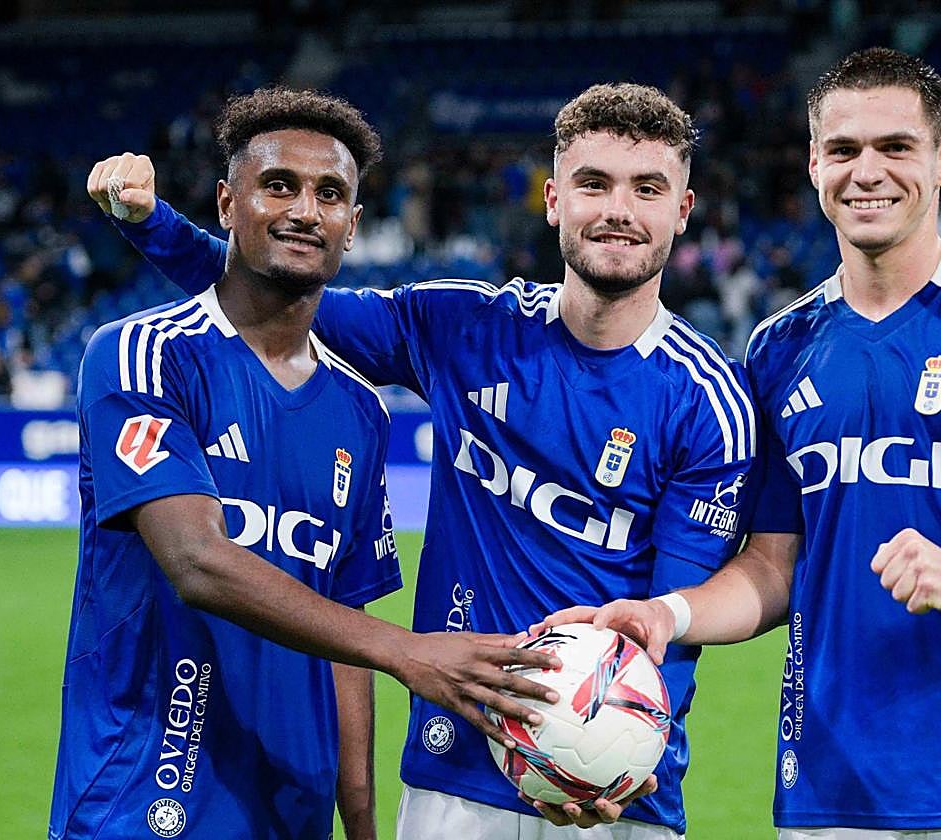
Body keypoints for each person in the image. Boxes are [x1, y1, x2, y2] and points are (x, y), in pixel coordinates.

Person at [86, 82, 756, 839]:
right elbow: (277, 282)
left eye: (647, 189)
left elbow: (673, 621)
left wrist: (622, 761)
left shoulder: (708, 400)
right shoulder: (462, 325)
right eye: (593, 184)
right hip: (453, 777)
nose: (618, 211)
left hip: (612, 793)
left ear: (684, 210)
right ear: (553, 199)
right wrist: (149, 221)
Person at [538, 48, 941, 838]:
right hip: (823, 796)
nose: (867, 171)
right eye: (843, 150)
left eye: (896, 147)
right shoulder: (780, 349)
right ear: (815, 165)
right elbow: (774, 567)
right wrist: (666, 615)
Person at [52, 88, 557, 840]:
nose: (303, 211)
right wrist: (408, 653)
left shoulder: (360, 408)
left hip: (294, 809)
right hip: (141, 798)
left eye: (330, 194)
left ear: (353, 226)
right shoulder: (142, 355)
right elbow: (197, 561)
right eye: (278, 185)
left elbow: (347, 618)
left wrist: (358, 816)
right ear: (228, 203)